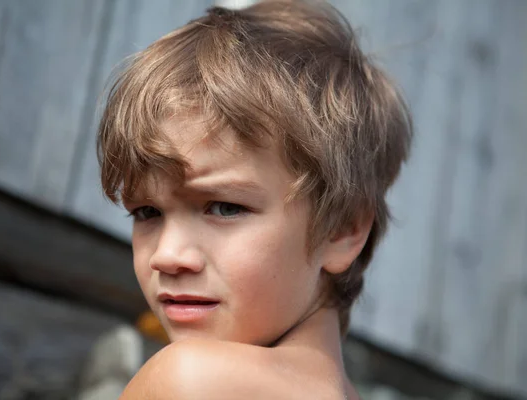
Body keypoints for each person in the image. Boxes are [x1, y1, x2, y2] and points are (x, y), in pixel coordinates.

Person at [97, 0, 412, 398]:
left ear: (342, 230)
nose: (167, 254)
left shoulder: (187, 380)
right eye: (146, 212)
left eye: (225, 207)